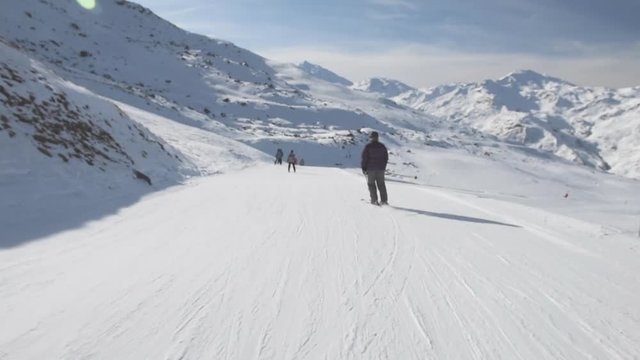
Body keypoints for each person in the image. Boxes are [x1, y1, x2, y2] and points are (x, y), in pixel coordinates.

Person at [361, 131, 388, 205]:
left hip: (371, 169)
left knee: (371, 184)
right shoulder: (382, 146)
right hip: (381, 169)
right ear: (377, 138)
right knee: (381, 184)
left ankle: (374, 200)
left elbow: (364, 158)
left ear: (371, 138)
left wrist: (364, 168)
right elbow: (386, 158)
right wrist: (383, 166)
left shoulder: (368, 147)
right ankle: (384, 201)